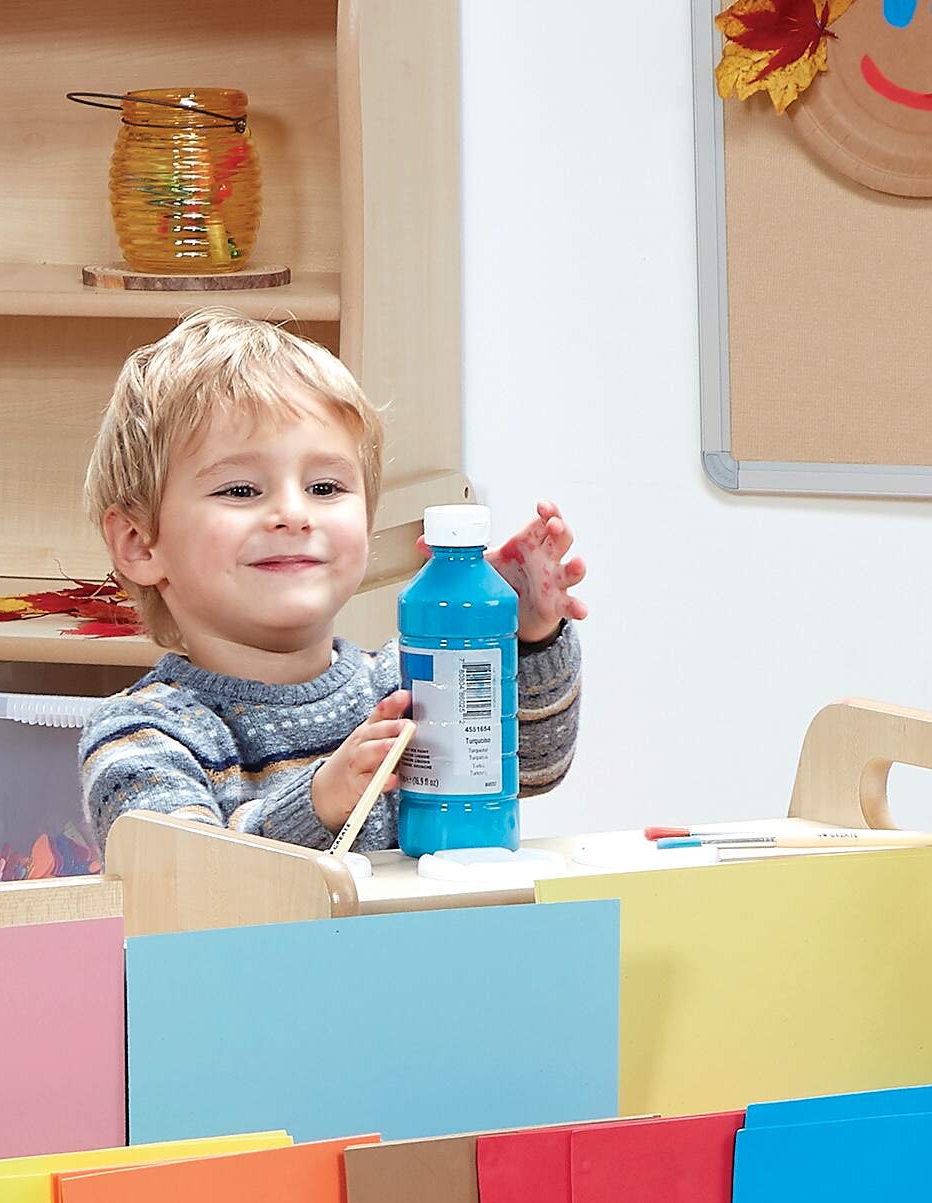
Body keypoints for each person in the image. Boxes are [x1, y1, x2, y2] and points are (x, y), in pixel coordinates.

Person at [70, 316, 588, 851]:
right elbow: (182, 877)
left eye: (324, 486)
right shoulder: (140, 735)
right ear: (139, 543)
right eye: (242, 490)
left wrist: (520, 641)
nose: (293, 514)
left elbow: (533, 767)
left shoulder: (408, 679)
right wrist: (316, 804)